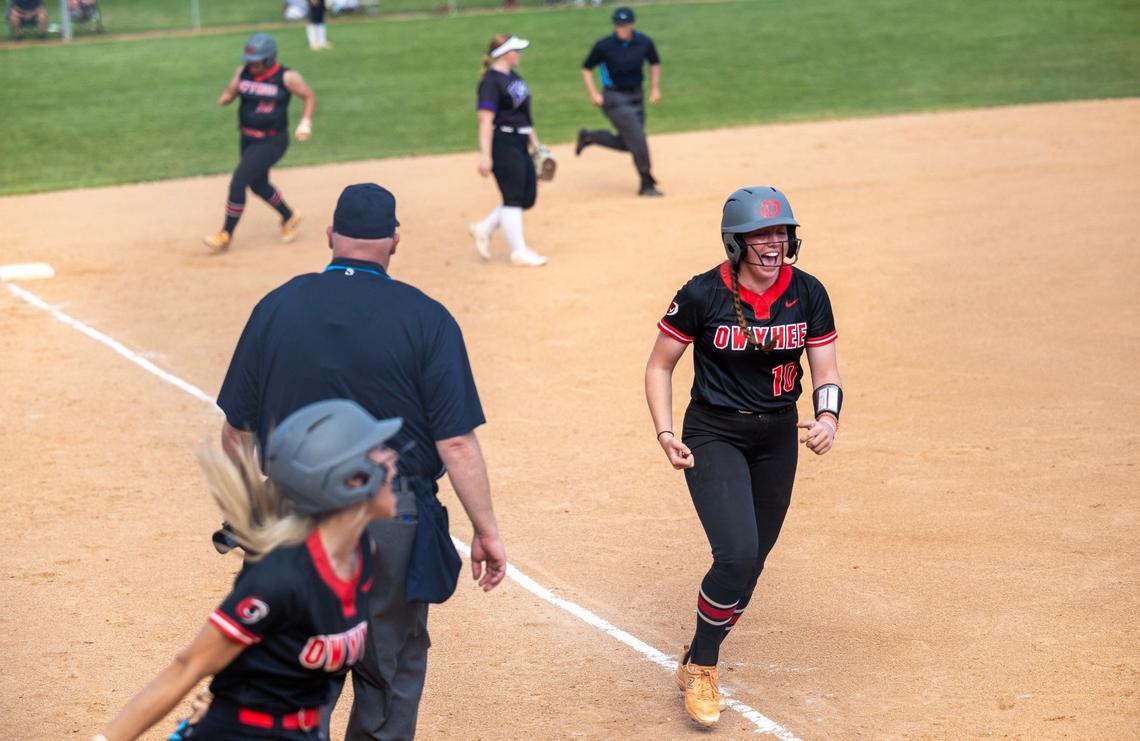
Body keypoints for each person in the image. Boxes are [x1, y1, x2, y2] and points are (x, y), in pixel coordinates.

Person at [217, 182, 507, 740]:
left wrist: (253, 512)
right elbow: (456, 444)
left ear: (330, 237)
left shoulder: (276, 306)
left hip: (292, 512)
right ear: (394, 242)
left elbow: (236, 433)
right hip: (389, 518)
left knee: (297, 664)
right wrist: (485, 529)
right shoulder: (428, 318)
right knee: (388, 667)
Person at [89, 399, 404, 741]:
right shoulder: (282, 579)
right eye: (378, 455)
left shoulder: (361, 554)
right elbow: (187, 667)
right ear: (349, 480)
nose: (393, 462)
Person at [644, 186, 842, 727]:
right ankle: (703, 668)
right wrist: (665, 433)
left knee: (751, 564)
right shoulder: (702, 294)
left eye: (780, 232)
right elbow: (659, 365)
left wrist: (827, 417)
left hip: (777, 436)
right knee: (734, 553)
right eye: (761, 233)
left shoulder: (808, 293)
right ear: (737, 241)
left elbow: (825, 369)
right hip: (713, 433)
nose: (773, 243)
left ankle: (695, 652)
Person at [205, 33, 316, 253]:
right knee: (258, 185)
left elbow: (309, 96)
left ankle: (226, 234)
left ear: (268, 59)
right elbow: (231, 90)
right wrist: (226, 97)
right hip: (247, 138)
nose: (251, 65)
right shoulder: (243, 72)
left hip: (272, 140)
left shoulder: (286, 77)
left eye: (256, 61)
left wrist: (305, 123)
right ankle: (289, 216)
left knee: (238, 182)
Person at [468, 34, 549, 267]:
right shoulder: (490, 82)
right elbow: (485, 119)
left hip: (521, 140)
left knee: (527, 196)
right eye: (516, 50)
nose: (520, 54)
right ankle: (519, 252)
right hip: (502, 142)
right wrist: (485, 155)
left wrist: (536, 144)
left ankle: (483, 228)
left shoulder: (514, 77)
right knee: (513, 197)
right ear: (504, 54)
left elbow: (525, 116)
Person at [576, 6, 663, 197]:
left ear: (633, 24)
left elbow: (655, 63)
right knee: (638, 138)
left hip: (637, 95)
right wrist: (594, 94)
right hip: (614, 98)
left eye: (624, 25)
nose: (621, 28)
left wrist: (655, 88)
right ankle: (646, 182)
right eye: (618, 25)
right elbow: (586, 68)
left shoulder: (644, 42)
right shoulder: (604, 45)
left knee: (630, 142)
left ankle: (590, 137)